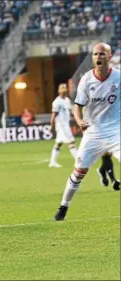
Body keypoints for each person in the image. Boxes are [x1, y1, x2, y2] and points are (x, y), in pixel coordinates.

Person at [54, 43, 120, 221]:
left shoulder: (118, 77)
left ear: (109, 57)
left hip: (116, 131)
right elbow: (78, 106)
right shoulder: (86, 80)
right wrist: (79, 120)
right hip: (93, 133)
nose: (98, 57)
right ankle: (63, 207)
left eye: (102, 54)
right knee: (78, 173)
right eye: (95, 54)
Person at [49, 83, 77, 168]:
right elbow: (54, 115)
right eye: (62, 88)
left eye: (65, 88)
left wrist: (76, 119)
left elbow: (70, 111)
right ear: (59, 91)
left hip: (66, 124)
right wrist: (51, 126)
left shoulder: (67, 100)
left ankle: (52, 162)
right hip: (61, 126)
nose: (64, 90)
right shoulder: (57, 102)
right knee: (71, 142)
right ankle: (79, 161)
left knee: (59, 143)